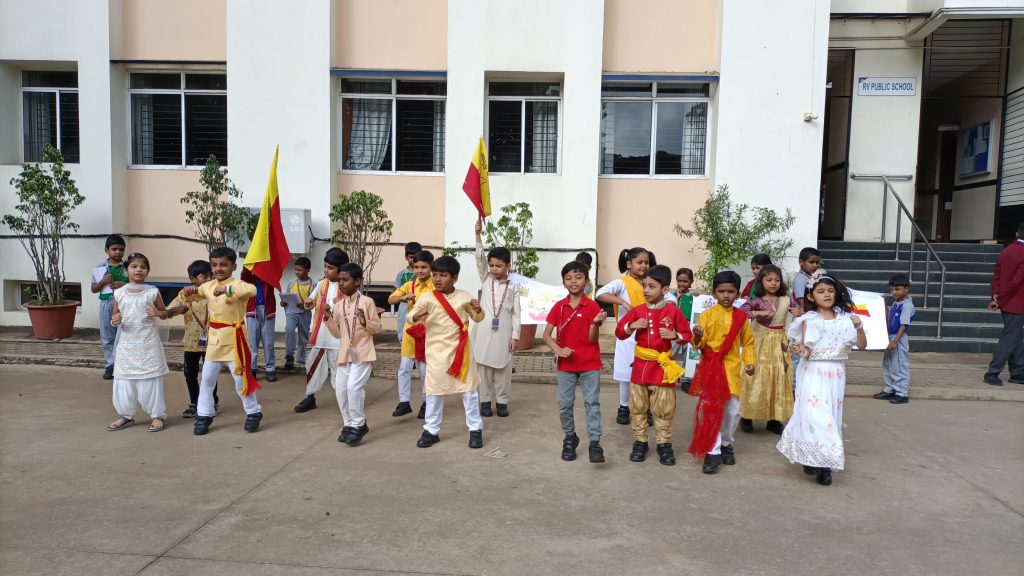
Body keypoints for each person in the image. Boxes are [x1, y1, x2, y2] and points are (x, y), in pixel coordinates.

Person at [778, 273, 866, 486]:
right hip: (813, 373)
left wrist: (859, 327)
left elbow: (862, 346)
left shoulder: (845, 320)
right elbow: (805, 350)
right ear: (811, 297)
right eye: (820, 291)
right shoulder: (808, 320)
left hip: (835, 375)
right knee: (816, 416)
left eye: (830, 291)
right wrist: (800, 350)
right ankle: (823, 465)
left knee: (831, 417)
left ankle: (817, 460)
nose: (826, 295)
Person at [180, 246, 263, 435]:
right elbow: (191, 295)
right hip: (214, 341)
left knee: (240, 380)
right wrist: (187, 291)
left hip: (235, 339)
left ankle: (253, 412)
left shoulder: (238, 285)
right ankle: (204, 414)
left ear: (233, 266)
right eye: (215, 265)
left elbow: (252, 290)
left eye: (223, 265)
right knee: (207, 379)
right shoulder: (207, 286)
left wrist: (227, 289)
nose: (218, 269)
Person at [615, 265, 692, 466]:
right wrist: (631, 326)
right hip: (640, 367)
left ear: (665, 289)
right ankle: (640, 442)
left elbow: (687, 335)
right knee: (638, 407)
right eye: (644, 286)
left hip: (662, 367)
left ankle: (664, 444)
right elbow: (619, 332)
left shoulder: (673, 312)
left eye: (652, 286)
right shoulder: (637, 311)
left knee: (664, 408)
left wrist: (674, 335)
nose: (646, 290)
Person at [408, 256, 486, 449]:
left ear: (455, 278)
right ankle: (431, 431)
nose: (437, 279)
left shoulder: (465, 296)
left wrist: (478, 309)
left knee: (469, 393)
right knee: (434, 393)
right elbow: (411, 316)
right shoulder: (427, 298)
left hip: (461, 352)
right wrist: (416, 316)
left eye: (442, 275)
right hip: (436, 353)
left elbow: (478, 318)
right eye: (435, 275)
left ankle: (475, 430)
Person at [597, 247, 674, 426]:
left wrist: (667, 304)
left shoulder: (653, 282)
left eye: (646, 262)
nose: (644, 265)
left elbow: (671, 298)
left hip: (650, 337)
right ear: (629, 264)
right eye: (639, 262)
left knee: (648, 373)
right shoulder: (622, 282)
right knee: (626, 375)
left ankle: (646, 409)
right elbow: (600, 294)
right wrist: (622, 301)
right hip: (628, 335)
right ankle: (624, 407)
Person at [688, 270, 755, 474]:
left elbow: (748, 343)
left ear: (738, 294)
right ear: (714, 293)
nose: (726, 295)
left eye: (730, 291)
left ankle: (726, 443)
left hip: (732, 369)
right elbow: (699, 345)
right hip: (711, 367)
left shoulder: (742, 318)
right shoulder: (707, 315)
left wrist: (750, 362)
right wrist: (697, 336)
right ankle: (713, 451)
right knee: (712, 409)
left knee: (733, 411)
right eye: (721, 291)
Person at [543, 261, 608, 463]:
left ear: (587, 282)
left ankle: (595, 443)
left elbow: (592, 339)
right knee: (564, 404)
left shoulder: (592, 306)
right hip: (566, 366)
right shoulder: (559, 307)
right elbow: (546, 335)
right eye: (569, 278)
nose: (573, 281)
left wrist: (595, 324)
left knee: (592, 403)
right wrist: (558, 350)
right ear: (563, 282)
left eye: (578, 277)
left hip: (590, 364)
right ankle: (570, 438)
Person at [105, 252, 169, 433]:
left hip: (148, 344)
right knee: (124, 381)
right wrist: (115, 320)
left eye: (143, 267)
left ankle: (157, 416)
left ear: (148, 271)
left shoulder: (152, 291)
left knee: (151, 381)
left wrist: (157, 313)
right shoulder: (119, 293)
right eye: (134, 266)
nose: (138, 270)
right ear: (126, 271)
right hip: (126, 346)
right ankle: (125, 415)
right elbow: (115, 316)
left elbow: (164, 313)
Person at [324, 262, 382, 446]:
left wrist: (365, 322)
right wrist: (327, 318)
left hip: (363, 352)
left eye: (345, 280)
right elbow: (337, 333)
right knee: (340, 390)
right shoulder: (338, 305)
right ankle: (348, 423)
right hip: (345, 354)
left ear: (357, 281)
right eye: (339, 280)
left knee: (353, 388)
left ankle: (358, 424)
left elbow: (377, 328)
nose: (341, 283)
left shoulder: (367, 302)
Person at [471, 220, 521, 417]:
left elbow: (517, 312)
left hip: (504, 332)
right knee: (483, 367)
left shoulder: (514, 286)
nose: (493, 269)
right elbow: (479, 259)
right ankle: (484, 402)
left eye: (498, 266)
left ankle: (502, 401)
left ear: (508, 266)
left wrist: (515, 336)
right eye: (491, 265)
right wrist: (477, 235)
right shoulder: (486, 279)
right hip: (483, 330)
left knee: (503, 369)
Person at [738, 264, 793, 434]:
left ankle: (774, 419)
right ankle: (746, 416)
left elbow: (802, 310)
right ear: (761, 281)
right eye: (769, 280)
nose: (773, 283)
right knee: (754, 378)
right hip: (757, 344)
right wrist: (756, 314)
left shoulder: (786, 300)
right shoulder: (756, 300)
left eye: (777, 280)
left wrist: (799, 311)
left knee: (778, 378)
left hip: (779, 345)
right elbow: (740, 313)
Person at [295, 248, 349, 412]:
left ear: (340, 269)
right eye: (325, 266)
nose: (326, 270)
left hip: (338, 338)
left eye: (330, 268)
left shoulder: (348, 285)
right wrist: (308, 302)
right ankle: (310, 397)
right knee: (313, 364)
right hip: (322, 335)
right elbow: (311, 300)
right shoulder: (321, 283)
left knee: (338, 368)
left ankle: (344, 400)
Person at [165, 260, 220, 419]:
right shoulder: (185, 294)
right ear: (193, 279)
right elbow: (170, 310)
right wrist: (184, 296)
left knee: (210, 375)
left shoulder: (215, 293)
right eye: (205, 276)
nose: (209, 279)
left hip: (211, 342)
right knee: (190, 374)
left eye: (211, 276)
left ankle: (212, 402)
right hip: (191, 343)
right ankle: (194, 403)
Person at [388, 250, 435, 418]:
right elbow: (391, 299)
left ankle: (426, 402)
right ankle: (404, 402)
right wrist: (403, 298)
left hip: (427, 333)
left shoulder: (435, 286)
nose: (420, 271)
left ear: (431, 268)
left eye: (424, 267)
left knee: (424, 371)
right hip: (410, 332)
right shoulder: (410, 285)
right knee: (404, 368)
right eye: (416, 267)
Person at [984, 223, 1024, 386]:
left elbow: (997, 275)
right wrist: (999, 299)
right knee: (1010, 339)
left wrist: (996, 295)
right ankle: (993, 372)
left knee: (1016, 338)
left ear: (1017, 233)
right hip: (1017, 302)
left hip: (1007, 301)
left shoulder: (1006, 250)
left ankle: (1018, 372)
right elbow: (1017, 282)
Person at [90, 234, 127, 380]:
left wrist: (124, 284)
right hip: (107, 304)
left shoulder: (128, 267)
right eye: (114, 249)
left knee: (124, 334)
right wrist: (103, 282)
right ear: (107, 250)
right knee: (107, 336)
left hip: (125, 304)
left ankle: (123, 365)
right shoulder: (100, 269)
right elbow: (93, 289)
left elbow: (137, 284)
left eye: (121, 249)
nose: (118, 252)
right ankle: (110, 366)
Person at [874, 274, 915, 403]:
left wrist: (895, 341)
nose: (894, 292)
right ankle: (890, 389)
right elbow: (888, 318)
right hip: (890, 337)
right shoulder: (896, 303)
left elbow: (904, 325)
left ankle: (902, 393)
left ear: (906, 289)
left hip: (898, 338)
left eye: (897, 289)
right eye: (892, 289)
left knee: (899, 365)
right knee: (888, 364)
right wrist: (884, 304)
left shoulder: (907, 305)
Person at [240, 266, 278, 382]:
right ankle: (252, 370)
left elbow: (275, 273)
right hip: (253, 311)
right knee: (252, 343)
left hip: (268, 311)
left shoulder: (269, 278)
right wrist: (249, 263)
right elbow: (244, 275)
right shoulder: (249, 279)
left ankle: (270, 369)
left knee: (269, 343)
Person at [283, 257, 314, 371]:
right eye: (295, 269)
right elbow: (286, 297)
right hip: (292, 312)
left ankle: (300, 359)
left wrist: (305, 306)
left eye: (300, 270)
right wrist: (284, 303)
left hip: (305, 314)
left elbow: (315, 302)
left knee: (303, 336)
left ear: (308, 270)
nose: (297, 272)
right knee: (289, 329)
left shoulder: (313, 285)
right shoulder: (291, 283)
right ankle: (289, 356)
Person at [394, 242, 422, 345]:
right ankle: (404, 348)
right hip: (404, 306)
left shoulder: (422, 273)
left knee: (419, 330)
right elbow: (396, 293)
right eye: (411, 257)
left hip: (419, 306)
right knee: (403, 330)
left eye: (415, 257)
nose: (413, 260)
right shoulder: (401, 274)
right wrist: (403, 297)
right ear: (406, 257)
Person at [674, 267, 696, 391]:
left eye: (685, 281)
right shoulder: (671, 296)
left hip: (688, 328)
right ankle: (664, 374)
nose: (682, 284)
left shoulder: (693, 297)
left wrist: (697, 298)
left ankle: (686, 380)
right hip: (674, 328)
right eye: (680, 281)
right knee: (671, 351)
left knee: (688, 354)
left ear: (691, 282)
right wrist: (676, 298)